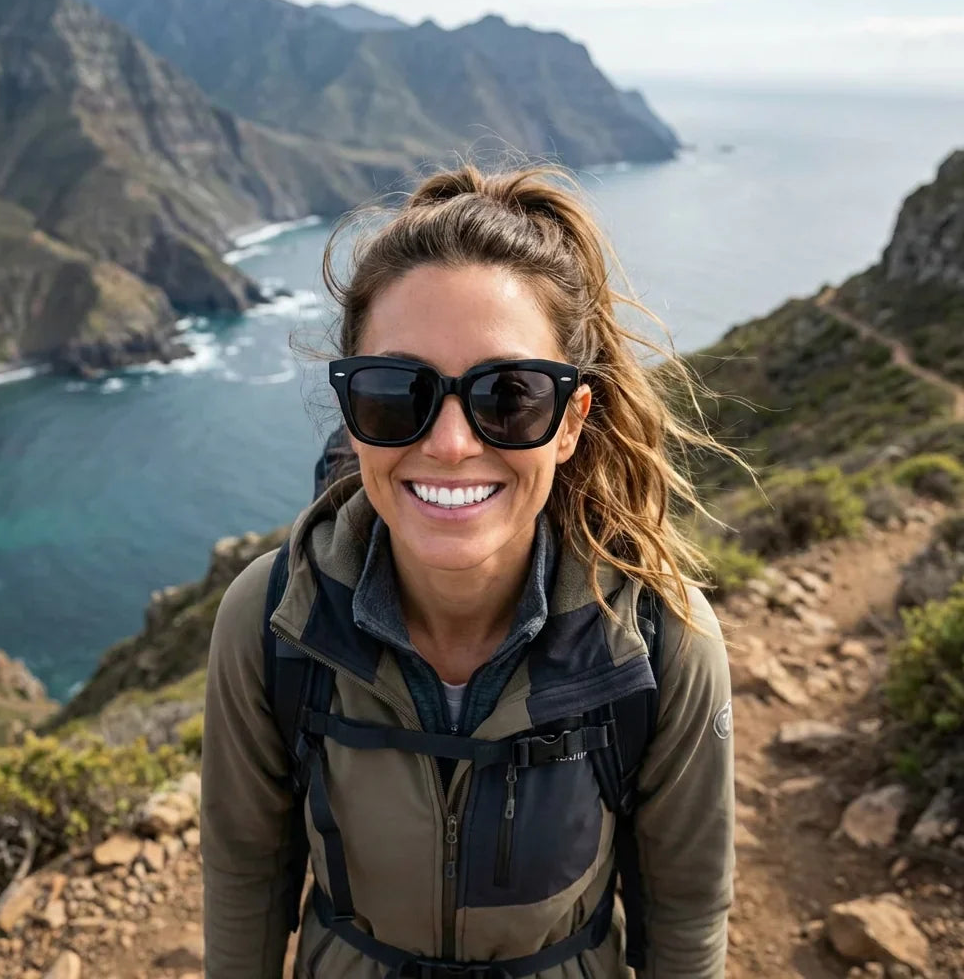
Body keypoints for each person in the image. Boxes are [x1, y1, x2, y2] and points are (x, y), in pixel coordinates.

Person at [201, 163, 736, 979]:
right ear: (351, 412)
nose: (451, 444)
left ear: (570, 422)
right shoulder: (274, 621)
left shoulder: (658, 642)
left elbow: (686, 909)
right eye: (397, 391)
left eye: (510, 394)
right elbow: (245, 876)